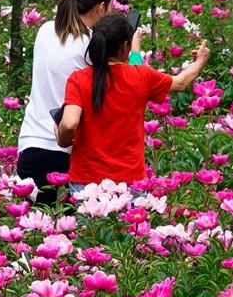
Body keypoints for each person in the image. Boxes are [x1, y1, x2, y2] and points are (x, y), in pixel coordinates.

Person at [56, 13, 209, 188]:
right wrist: (201, 61)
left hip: (87, 181)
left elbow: (69, 124)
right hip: (129, 181)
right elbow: (180, 82)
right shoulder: (141, 77)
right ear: (124, 47)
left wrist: (61, 137)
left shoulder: (78, 79)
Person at [16, 0, 113, 205]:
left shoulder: (45, 30)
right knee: (66, 234)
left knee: (33, 231)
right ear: (100, 8)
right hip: (68, 150)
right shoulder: (91, 46)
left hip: (31, 144)